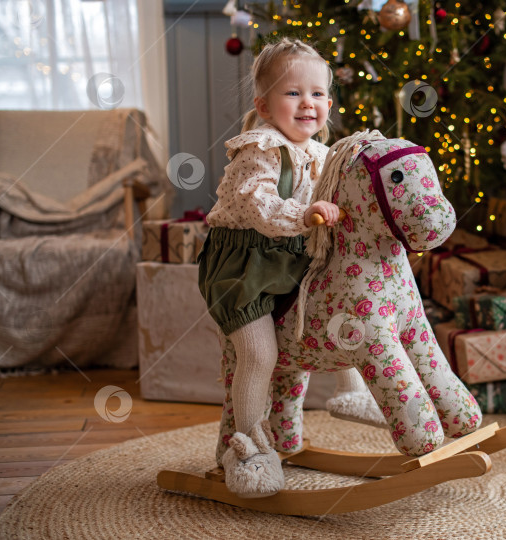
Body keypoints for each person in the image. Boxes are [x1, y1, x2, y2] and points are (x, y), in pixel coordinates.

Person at [197, 37, 340, 498]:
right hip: (243, 268)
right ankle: (248, 449)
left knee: (334, 316)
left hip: (291, 262)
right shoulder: (260, 148)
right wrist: (304, 214)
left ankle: (353, 389)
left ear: (329, 103)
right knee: (260, 355)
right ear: (263, 104)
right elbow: (258, 204)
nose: (307, 104)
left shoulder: (323, 155)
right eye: (292, 93)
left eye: (316, 94)